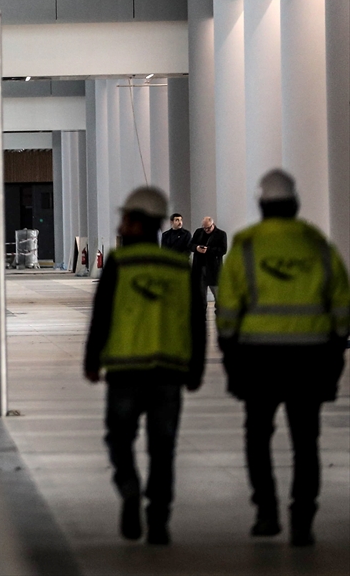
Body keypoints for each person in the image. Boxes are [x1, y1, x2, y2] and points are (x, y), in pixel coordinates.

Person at [216, 169, 349, 547]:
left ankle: (267, 514)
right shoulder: (317, 244)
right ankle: (303, 519)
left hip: (259, 359)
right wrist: (336, 350)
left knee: (258, 436)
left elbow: (227, 308)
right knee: (306, 441)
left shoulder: (245, 244)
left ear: (262, 205)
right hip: (311, 358)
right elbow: (341, 304)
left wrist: (229, 353)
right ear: (295, 204)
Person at [84, 187, 205, 546]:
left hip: (125, 370)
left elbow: (101, 316)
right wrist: (195, 367)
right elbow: (196, 321)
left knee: (119, 439)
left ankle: (129, 488)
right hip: (168, 372)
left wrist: (92, 360)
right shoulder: (177, 267)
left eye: (125, 218)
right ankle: (158, 520)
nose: (121, 224)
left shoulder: (121, 265)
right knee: (163, 447)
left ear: (138, 224)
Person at [189, 216, 227, 300]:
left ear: (213, 224)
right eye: (204, 228)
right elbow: (190, 245)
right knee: (200, 296)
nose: (206, 230)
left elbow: (223, 250)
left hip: (213, 268)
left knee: (218, 295)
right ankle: (202, 312)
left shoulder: (221, 234)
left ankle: (219, 312)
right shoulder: (199, 232)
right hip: (199, 267)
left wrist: (208, 250)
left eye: (208, 228)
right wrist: (197, 248)